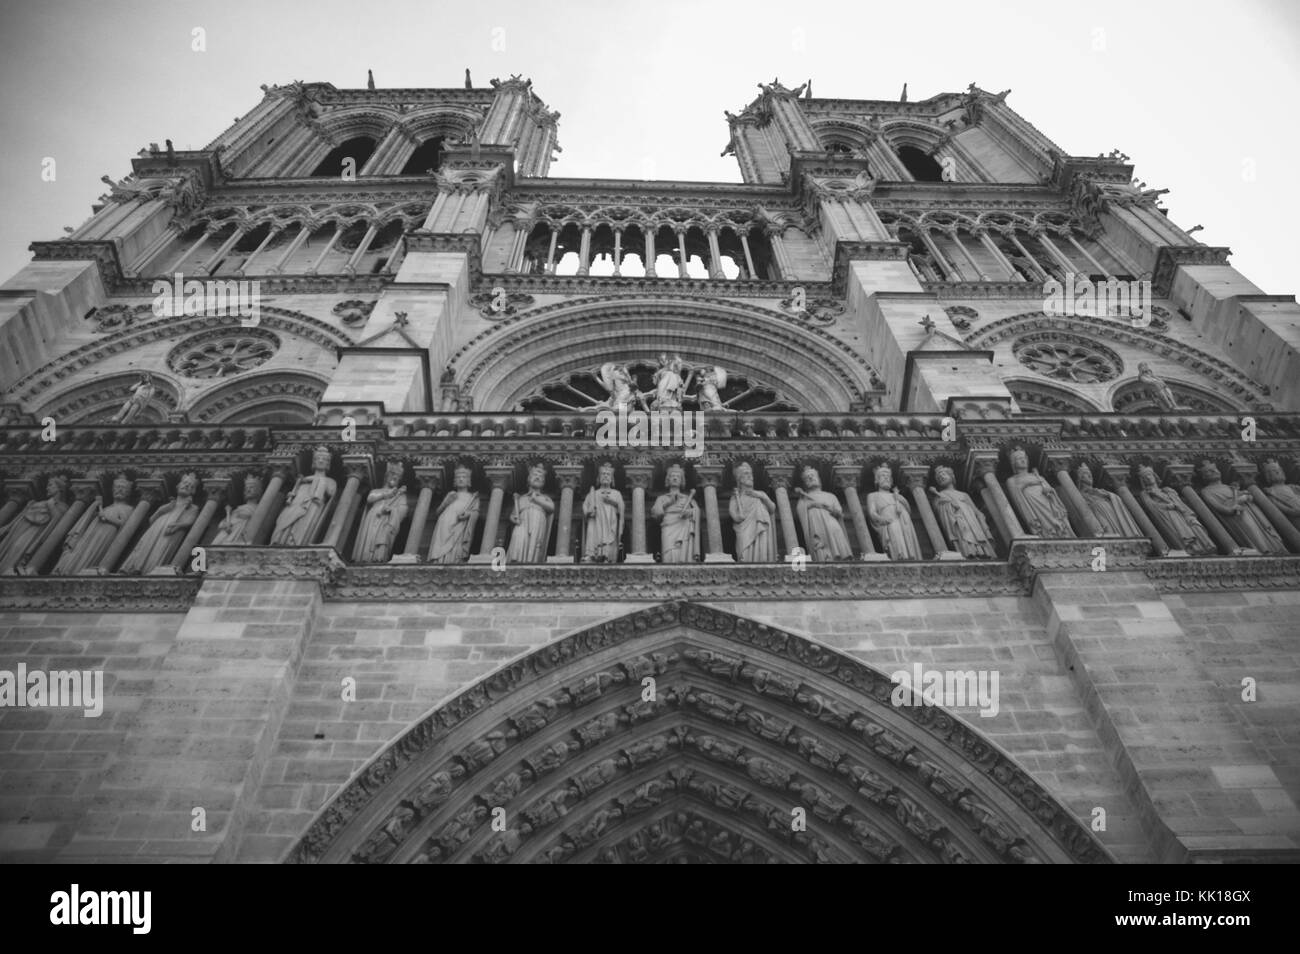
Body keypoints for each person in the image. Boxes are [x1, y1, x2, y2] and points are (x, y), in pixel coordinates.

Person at [1197, 460, 1284, 554]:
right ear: (1204, 477)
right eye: (1208, 471)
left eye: (1215, 469)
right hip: (1237, 517)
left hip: (1250, 512)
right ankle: (1262, 551)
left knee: (1261, 530)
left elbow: (1244, 496)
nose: (1214, 472)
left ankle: (1272, 548)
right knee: (1252, 531)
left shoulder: (1228, 487)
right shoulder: (1206, 491)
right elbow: (1221, 508)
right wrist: (1238, 501)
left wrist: (1246, 495)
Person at [120, 472, 200, 574]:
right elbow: (151, 520)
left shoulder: (192, 507)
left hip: (171, 532)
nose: (186, 486)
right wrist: (161, 511)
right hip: (155, 530)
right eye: (184, 483)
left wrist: (177, 525)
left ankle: (151, 570)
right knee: (146, 546)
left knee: (160, 549)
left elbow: (190, 522)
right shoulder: (168, 505)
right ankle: (135, 567)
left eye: (190, 486)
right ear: (178, 486)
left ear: (193, 491)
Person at [55, 474, 136, 573]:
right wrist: (95, 508)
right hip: (92, 533)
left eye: (123, 488)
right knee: (83, 550)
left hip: (106, 534)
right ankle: (72, 569)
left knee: (91, 553)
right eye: (117, 487)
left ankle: (88, 569)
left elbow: (125, 526)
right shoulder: (108, 507)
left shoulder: (128, 508)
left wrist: (105, 517)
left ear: (128, 492)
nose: (119, 490)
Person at [1136, 465, 1214, 555]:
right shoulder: (1145, 493)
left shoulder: (1167, 490)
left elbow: (1180, 503)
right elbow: (1151, 506)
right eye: (1145, 478)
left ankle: (1203, 547)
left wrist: (1174, 500)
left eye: (1149, 475)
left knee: (1194, 528)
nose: (1148, 478)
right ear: (1143, 481)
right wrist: (1168, 506)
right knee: (1180, 533)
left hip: (1180, 513)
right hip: (1168, 515)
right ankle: (1189, 550)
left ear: (1154, 476)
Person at [0, 477, 69, 574]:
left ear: (60, 488)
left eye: (50, 485)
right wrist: (9, 527)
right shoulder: (39, 502)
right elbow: (21, 517)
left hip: (34, 532)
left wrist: (51, 505)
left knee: (17, 548)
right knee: (7, 549)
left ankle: (10, 571)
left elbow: (57, 521)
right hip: (19, 528)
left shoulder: (62, 506)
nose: (47, 488)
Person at [272, 446, 336, 546]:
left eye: (324, 459)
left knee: (302, 525)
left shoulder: (330, 481)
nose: (320, 461)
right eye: (317, 458)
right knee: (284, 521)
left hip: (312, 504)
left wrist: (317, 481)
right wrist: (292, 495)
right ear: (313, 462)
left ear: (328, 463)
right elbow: (295, 493)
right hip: (296, 503)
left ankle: (296, 544)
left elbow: (331, 493)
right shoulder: (303, 479)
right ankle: (281, 540)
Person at [929, 465, 996, 558]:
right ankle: (967, 553)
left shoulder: (963, 494)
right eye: (939, 478)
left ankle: (983, 551)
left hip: (971, 520)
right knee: (962, 534)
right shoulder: (939, 497)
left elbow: (975, 510)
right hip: (956, 521)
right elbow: (941, 515)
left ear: (952, 477)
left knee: (975, 533)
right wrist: (948, 505)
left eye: (943, 474)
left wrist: (980, 516)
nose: (941, 478)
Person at [1004, 447, 1074, 537]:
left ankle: (1061, 532)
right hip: (1032, 504)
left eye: (1024, 458)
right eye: (1019, 459)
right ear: (1013, 463)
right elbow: (1016, 497)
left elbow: (1048, 488)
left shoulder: (1037, 476)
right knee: (1045, 525)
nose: (1023, 460)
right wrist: (1028, 484)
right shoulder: (1012, 480)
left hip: (1046, 501)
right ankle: (1045, 534)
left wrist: (1050, 492)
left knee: (1055, 518)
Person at [352, 461, 409, 564]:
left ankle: (377, 559)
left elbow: (403, 511)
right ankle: (364, 558)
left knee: (382, 538)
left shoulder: (400, 496)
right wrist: (385, 495)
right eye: (392, 475)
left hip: (387, 521)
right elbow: (370, 499)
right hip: (373, 517)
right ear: (386, 477)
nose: (395, 478)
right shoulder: (377, 490)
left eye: (398, 477)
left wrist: (392, 510)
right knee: (369, 538)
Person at [794, 466, 852, 561]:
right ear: (805, 483)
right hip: (816, 524)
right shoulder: (804, 499)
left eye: (812, 475)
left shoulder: (830, 496)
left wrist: (830, 509)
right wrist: (812, 504)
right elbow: (800, 511)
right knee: (820, 544)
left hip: (831, 521)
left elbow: (839, 512)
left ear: (819, 479)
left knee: (836, 535)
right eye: (807, 477)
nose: (811, 478)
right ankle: (825, 558)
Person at [867, 464, 922, 560]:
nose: (886, 478)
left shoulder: (896, 496)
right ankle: (899, 558)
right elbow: (872, 513)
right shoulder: (873, 495)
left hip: (903, 521)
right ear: (877, 480)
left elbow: (908, 510)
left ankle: (911, 557)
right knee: (895, 537)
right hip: (889, 521)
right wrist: (882, 519)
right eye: (883, 476)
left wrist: (900, 499)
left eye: (888, 477)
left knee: (908, 541)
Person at [427, 465, 480, 564]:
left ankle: (454, 560)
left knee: (456, 545)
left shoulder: (472, 497)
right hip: (445, 522)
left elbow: (475, 513)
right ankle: (439, 560)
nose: (460, 479)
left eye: (464, 477)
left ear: (468, 481)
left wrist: (468, 514)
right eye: (458, 477)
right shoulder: (450, 494)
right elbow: (438, 512)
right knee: (440, 544)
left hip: (460, 525)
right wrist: (446, 502)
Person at [651, 464, 699, 563]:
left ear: (681, 480)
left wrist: (689, 512)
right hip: (668, 526)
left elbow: (696, 511)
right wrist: (669, 503)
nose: (675, 478)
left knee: (681, 551)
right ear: (668, 479)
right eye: (672, 476)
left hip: (683, 525)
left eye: (678, 477)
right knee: (668, 552)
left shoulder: (687, 498)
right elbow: (656, 514)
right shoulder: (662, 498)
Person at [507, 464, 554, 563]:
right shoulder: (521, 498)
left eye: (540, 476)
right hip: (522, 523)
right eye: (535, 475)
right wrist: (513, 518)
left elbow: (551, 508)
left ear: (543, 481)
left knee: (534, 542)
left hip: (537, 521)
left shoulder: (544, 498)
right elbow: (513, 514)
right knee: (518, 538)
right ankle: (516, 560)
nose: (537, 477)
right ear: (529, 479)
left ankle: (531, 561)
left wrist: (536, 500)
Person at [729, 462, 776, 562]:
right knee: (745, 553)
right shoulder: (735, 498)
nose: (750, 476)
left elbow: (772, 508)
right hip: (744, 529)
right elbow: (735, 516)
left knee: (762, 552)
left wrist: (762, 497)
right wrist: (739, 516)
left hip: (761, 528)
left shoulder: (761, 494)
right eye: (746, 473)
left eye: (751, 474)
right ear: (739, 479)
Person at [582, 462, 623, 563]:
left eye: (608, 474)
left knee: (609, 538)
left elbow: (621, 508)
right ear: (599, 478)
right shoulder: (593, 493)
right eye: (603, 474)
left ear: (612, 478)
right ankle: (591, 555)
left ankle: (607, 555)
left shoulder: (616, 493)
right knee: (593, 534)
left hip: (610, 520)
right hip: (595, 521)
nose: (605, 476)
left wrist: (611, 502)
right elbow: (585, 506)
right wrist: (588, 512)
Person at [210, 473, 264, 546]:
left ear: (258, 491)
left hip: (242, 533)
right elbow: (226, 523)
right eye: (246, 488)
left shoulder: (260, 508)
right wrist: (226, 522)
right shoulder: (239, 508)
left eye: (251, 487)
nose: (248, 490)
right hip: (229, 533)